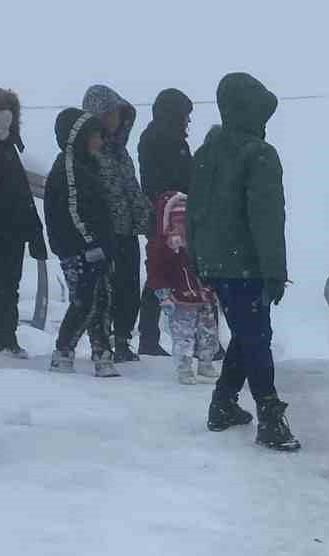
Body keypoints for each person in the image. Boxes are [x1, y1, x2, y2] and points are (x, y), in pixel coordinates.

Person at [188, 72, 299, 452]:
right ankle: (269, 415)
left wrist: (198, 258)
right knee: (256, 335)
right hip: (248, 263)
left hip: (216, 263)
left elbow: (194, 213)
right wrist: (275, 271)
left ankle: (223, 404)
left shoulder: (205, 153)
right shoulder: (260, 154)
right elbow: (267, 218)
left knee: (246, 331)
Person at [43, 109, 117, 376]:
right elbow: (72, 212)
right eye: (95, 135)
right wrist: (91, 244)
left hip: (98, 248)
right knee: (84, 301)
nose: (100, 141)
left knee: (102, 299)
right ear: (79, 138)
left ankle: (102, 352)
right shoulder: (68, 168)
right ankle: (63, 351)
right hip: (80, 251)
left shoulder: (88, 167)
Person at [81, 85, 152, 362]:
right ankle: (103, 342)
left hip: (127, 233)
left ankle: (122, 339)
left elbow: (132, 190)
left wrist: (148, 220)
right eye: (111, 113)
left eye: (119, 113)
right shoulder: (89, 153)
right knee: (104, 291)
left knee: (128, 287)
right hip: (103, 235)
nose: (117, 119)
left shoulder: (121, 153)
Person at [135, 88, 196, 357]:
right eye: (185, 115)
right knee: (164, 273)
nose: (188, 121)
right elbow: (166, 179)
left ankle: (155, 337)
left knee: (171, 273)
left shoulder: (171, 139)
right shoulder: (159, 139)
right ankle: (150, 337)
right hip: (166, 215)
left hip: (176, 212)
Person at [0, 85, 47, 358]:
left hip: (11, 231)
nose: (6, 117)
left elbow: (22, 192)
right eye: (1, 111)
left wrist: (35, 231)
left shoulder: (9, 147)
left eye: (10, 112)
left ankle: (6, 338)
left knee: (9, 286)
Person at [145, 190, 218, 384]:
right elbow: (155, 272)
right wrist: (163, 295)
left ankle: (205, 363)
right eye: (176, 221)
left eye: (185, 221)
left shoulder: (199, 243)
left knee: (208, 331)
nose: (181, 226)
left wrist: (213, 286)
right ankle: (184, 367)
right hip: (179, 297)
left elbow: (208, 265)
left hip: (202, 295)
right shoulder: (161, 246)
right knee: (183, 335)